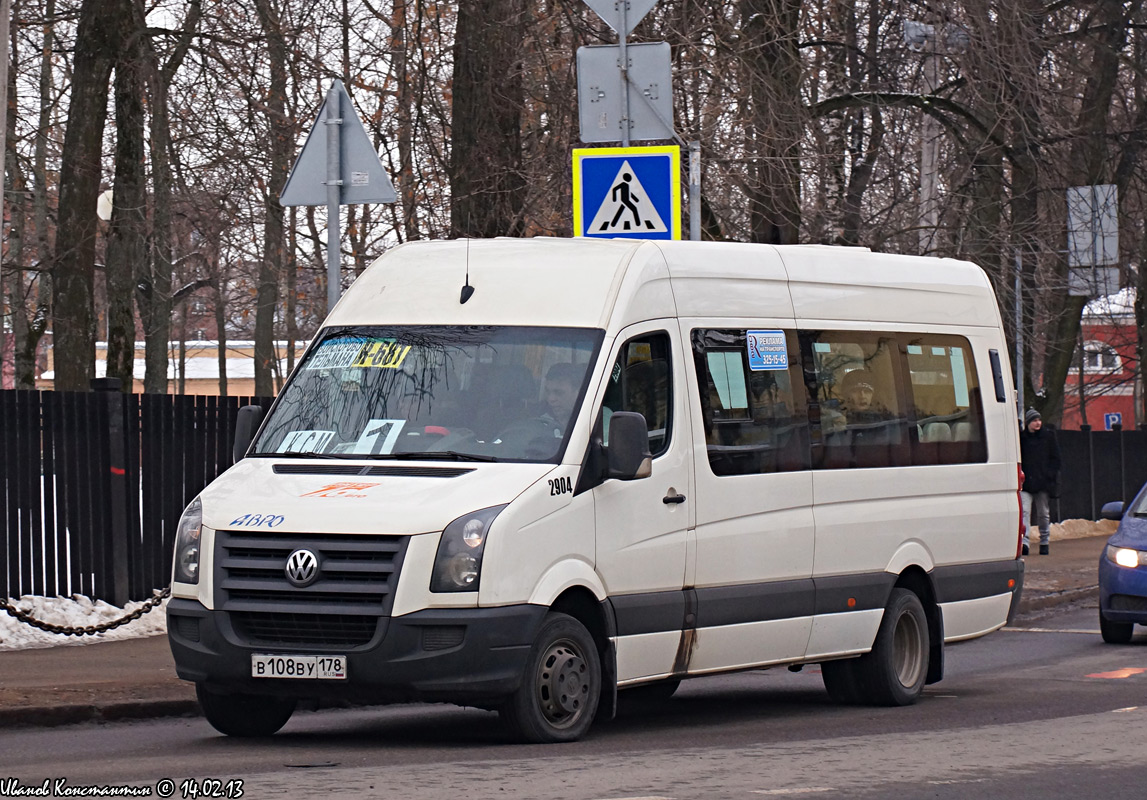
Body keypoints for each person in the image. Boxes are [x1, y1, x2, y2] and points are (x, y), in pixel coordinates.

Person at [1020, 408, 1061, 556]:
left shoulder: (1048, 437)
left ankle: (1044, 541)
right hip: (1026, 483)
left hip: (1043, 483)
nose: (1037, 423)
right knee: (1024, 512)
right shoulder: (1022, 438)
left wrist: (1048, 475)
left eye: (1039, 420)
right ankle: (1024, 543)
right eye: (1034, 420)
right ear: (1028, 423)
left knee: (1043, 514)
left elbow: (1056, 459)